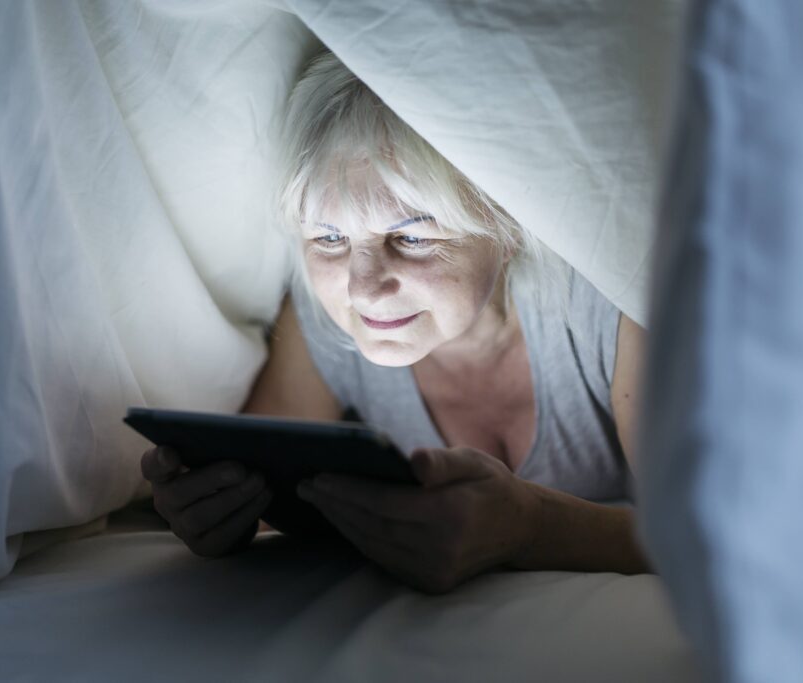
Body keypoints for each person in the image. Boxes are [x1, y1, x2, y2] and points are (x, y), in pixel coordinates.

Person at [140, 50, 649, 593]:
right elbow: (256, 496)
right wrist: (219, 516)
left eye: (411, 237)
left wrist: (529, 526)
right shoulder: (322, 314)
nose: (362, 288)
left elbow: (719, 533)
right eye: (330, 238)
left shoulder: (611, 311)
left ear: (510, 225)